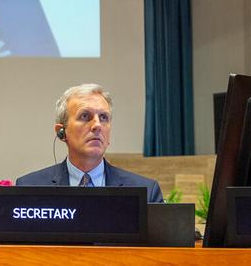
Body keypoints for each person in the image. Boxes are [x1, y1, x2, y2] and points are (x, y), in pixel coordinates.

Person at [16, 83, 164, 203]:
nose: (97, 125)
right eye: (85, 116)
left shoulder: (146, 192)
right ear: (61, 132)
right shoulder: (29, 188)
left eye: (104, 117)